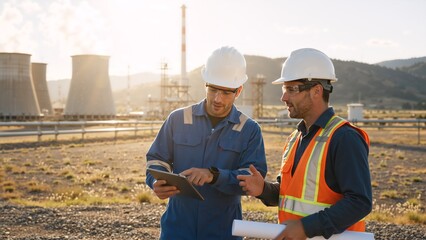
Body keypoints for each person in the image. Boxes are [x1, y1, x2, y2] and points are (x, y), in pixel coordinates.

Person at [237, 48, 372, 240]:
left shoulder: (344, 137)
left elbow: (360, 202)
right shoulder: (295, 138)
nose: (283, 98)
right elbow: (289, 195)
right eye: (284, 89)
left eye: (291, 89)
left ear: (317, 91)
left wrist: (305, 228)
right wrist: (264, 189)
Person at [145, 46, 267, 240]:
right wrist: (156, 182)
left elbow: (252, 178)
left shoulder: (249, 130)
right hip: (177, 229)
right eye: (214, 89)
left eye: (226, 92)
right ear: (205, 84)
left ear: (239, 90)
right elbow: (156, 159)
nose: (218, 99)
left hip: (223, 231)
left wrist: (214, 176)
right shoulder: (178, 119)